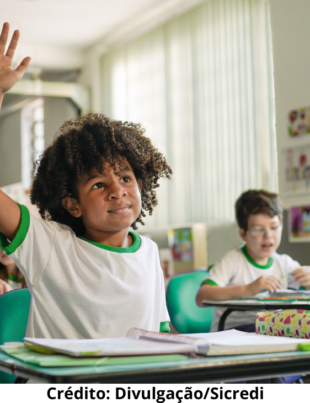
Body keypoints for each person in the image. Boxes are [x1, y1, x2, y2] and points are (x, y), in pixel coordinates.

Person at [0, 22, 172, 340]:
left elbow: (159, 335)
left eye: (125, 177)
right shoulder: (49, 246)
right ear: (73, 205)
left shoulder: (148, 252)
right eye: (98, 184)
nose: (117, 189)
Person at [196, 190, 310, 332]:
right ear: (243, 233)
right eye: (258, 229)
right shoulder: (233, 261)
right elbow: (202, 296)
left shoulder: (285, 263)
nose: (268, 236)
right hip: (235, 332)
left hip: (271, 332)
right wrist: (248, 289)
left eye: (274, 228)